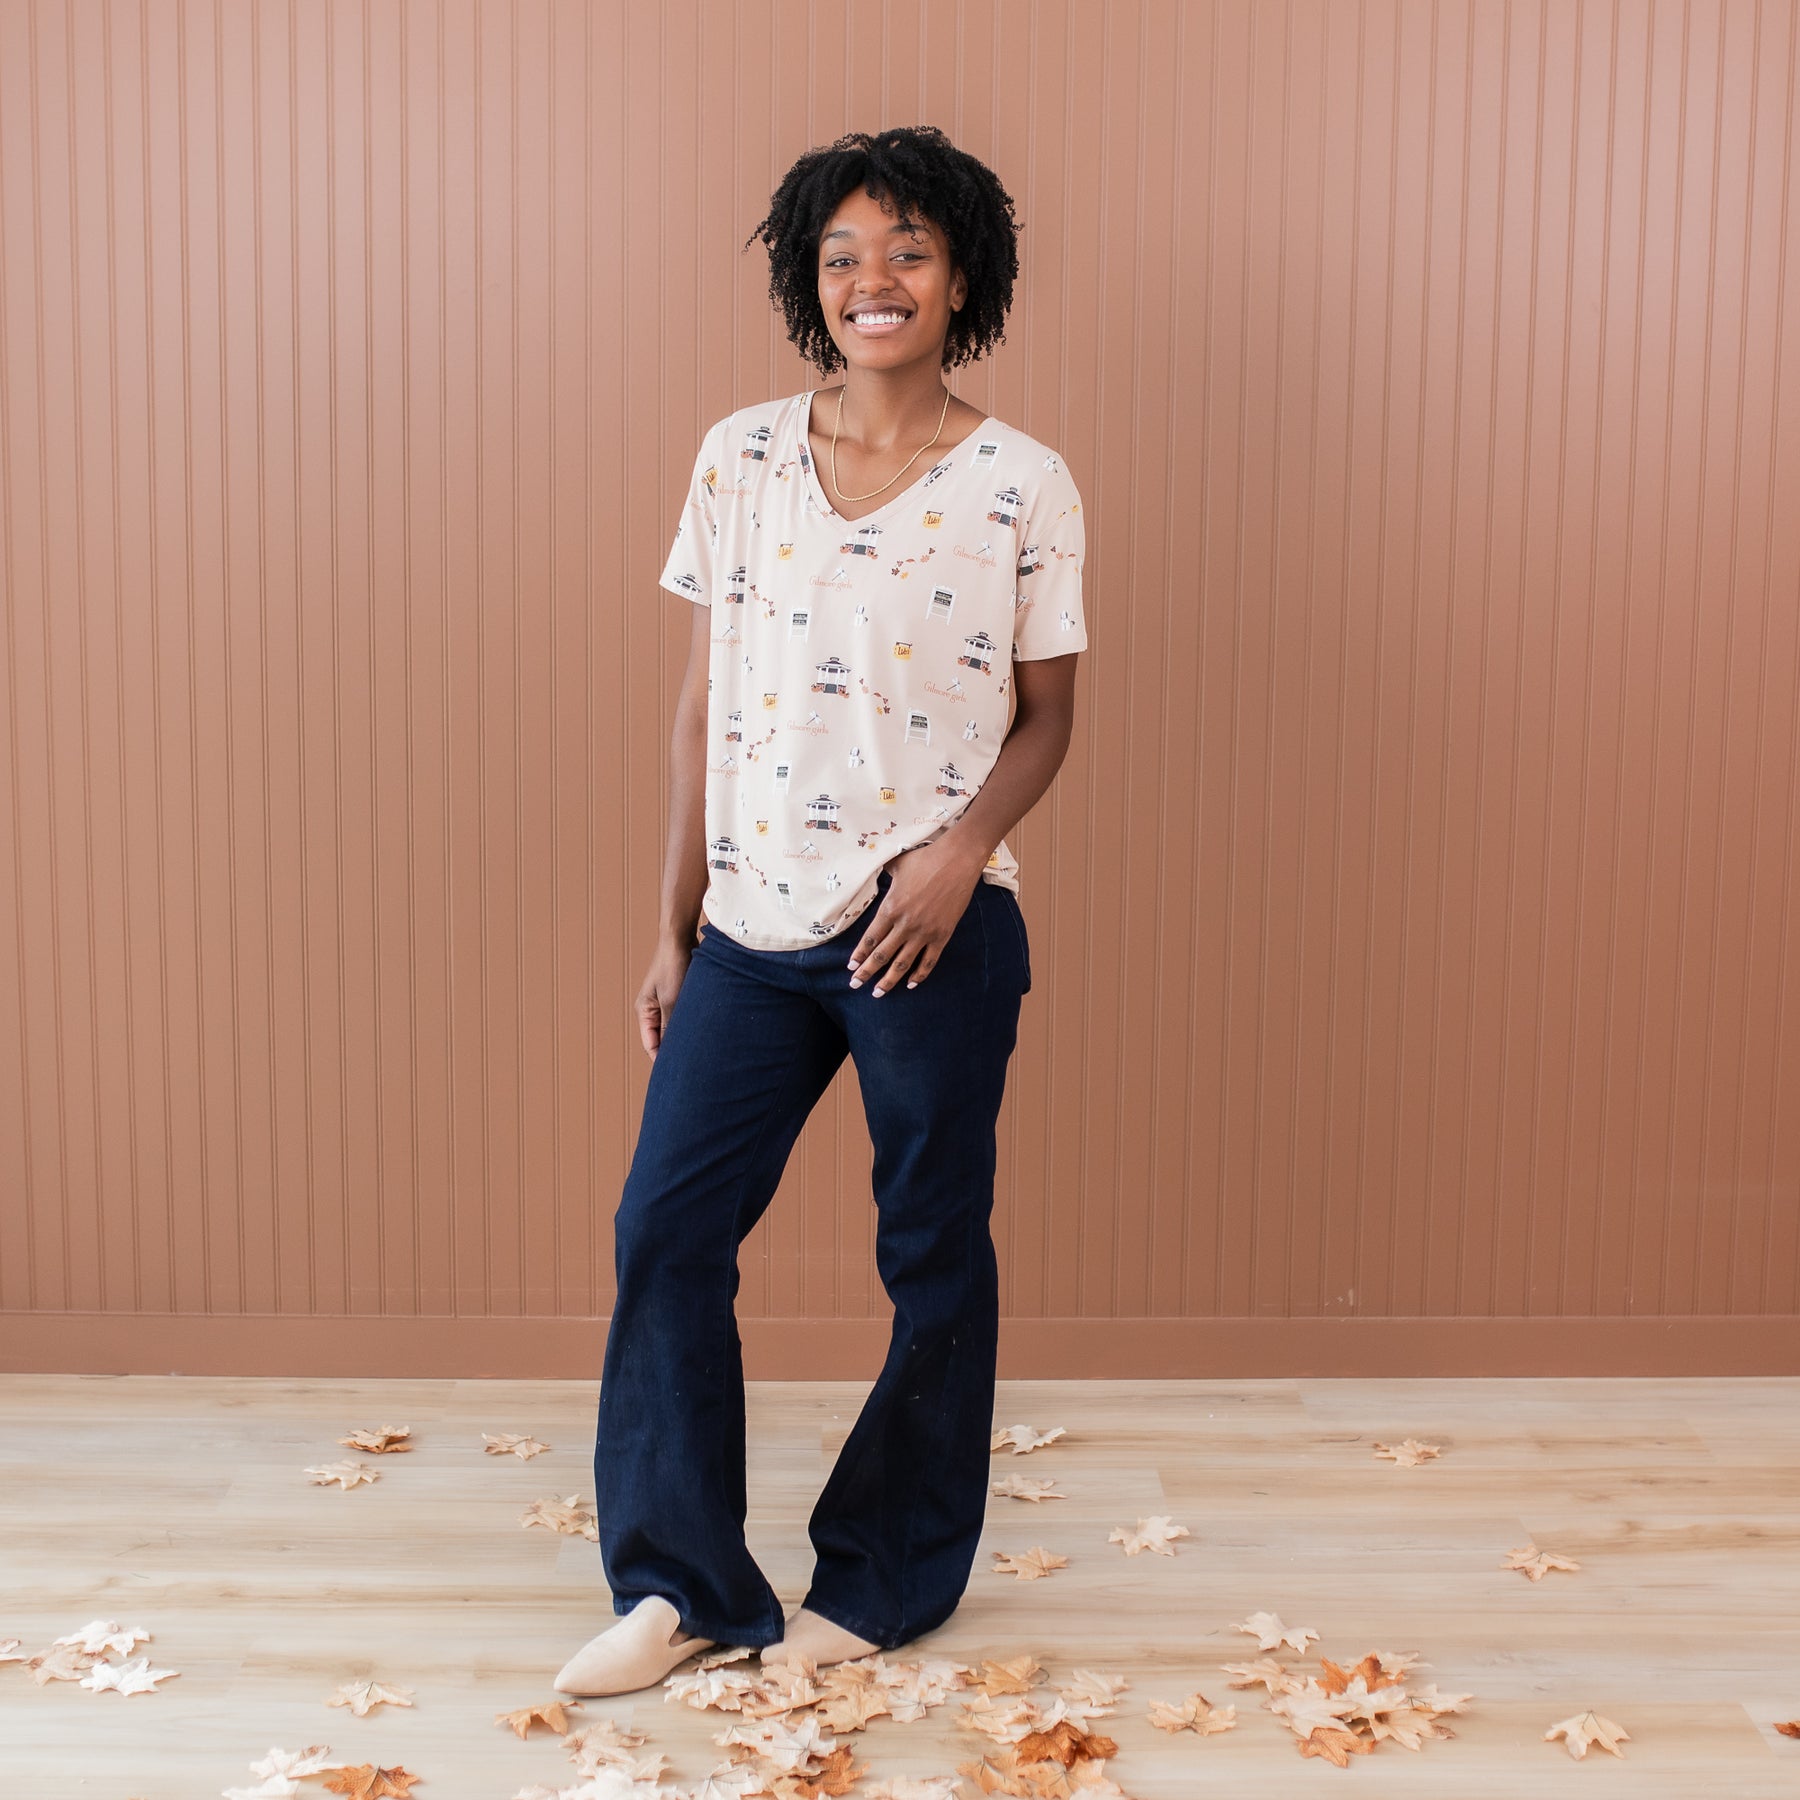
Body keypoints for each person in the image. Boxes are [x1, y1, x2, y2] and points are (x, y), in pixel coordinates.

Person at [554, 124, 1088, 1697]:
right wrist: (671, 924)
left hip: (933, 928)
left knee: (930, 1246)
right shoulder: (737, 456)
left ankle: (886, 1576)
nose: (875, 279)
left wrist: (953, 853)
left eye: (908, 252)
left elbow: (1052, 717)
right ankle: (684, 1585)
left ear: (962, 277)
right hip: (750, 933)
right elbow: (701, 705)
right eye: (844, 253)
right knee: (665, 1231)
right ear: (810, 277)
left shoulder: (1022, 484)